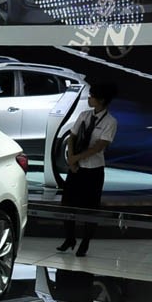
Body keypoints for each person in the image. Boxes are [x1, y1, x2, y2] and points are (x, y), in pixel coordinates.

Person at [57, 81, 118, 257]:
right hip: (76, 169)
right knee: (67, 204)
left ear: (101, 100)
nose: (89, 99)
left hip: (93, 171)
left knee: (90, 208)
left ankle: (85, 242)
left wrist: (75, 158)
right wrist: (71, 159)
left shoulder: (110, 122)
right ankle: (69, 238)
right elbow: (72, 137)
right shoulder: (84, 115)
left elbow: (99, 147)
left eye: (92, 96)